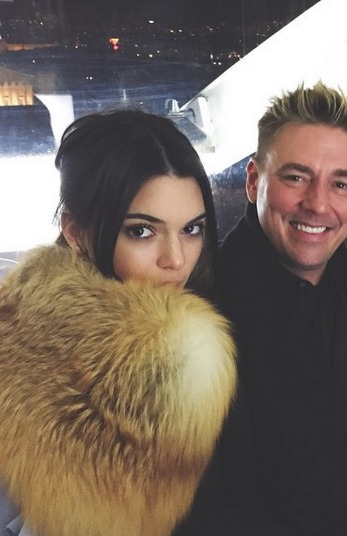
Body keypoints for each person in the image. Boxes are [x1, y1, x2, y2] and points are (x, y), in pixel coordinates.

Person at [181, 82, 347, 536]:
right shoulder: (199, 316)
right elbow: (199, 510)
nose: (319, 204)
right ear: (253, 182)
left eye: (340, 184)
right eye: (296, 177)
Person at [0, 109, 237, 536]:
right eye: (142, 231)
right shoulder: (18, 355)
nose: (176, 259)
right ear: (75, 232)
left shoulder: (207, 342)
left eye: (192, 229)